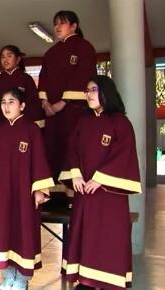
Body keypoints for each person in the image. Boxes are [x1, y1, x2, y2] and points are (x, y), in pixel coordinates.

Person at [58, 76, 141, 290]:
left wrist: (99, 179)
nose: (88, 94)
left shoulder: (121, 123)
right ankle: (85, 280)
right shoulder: (83, 122)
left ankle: (107, 282)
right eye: (86, 90)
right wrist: (75, 174)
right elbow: (72, 149)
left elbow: (124, 155)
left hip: (108, 196)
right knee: (85, 236)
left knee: (107, 239)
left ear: (106, 92)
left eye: (93, 89)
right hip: (84, 194)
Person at [0, 88, 54, 290]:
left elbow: (40, 160)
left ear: (22, 106)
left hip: (25, 196)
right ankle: (7, 277)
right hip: (2, 195)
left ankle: (22, 280)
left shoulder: (31, 129)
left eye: (11, 102)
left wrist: (39, 189)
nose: (6, 106)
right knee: (2, 233)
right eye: (3, 102)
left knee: (24, 233)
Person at [38, 11, 97, 193]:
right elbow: (44, 79)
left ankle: (73, 189)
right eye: (55, 23)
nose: (57, 27)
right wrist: (45, 103)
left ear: (73, 26)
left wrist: (62, 102)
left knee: (72, 146)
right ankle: (53, 189)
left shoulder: (84, 47)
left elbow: (83, 77)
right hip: (51, 113)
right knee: (51, 146)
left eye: (62, 23)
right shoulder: (50, 53)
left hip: (74, 110)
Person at [0, 45, 44, 127]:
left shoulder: (26, 79)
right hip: (1, 123)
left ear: (18, 59)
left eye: (9, 56)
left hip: (23, 124)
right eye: (3, 57)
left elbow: (33, 103)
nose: (5, 60)